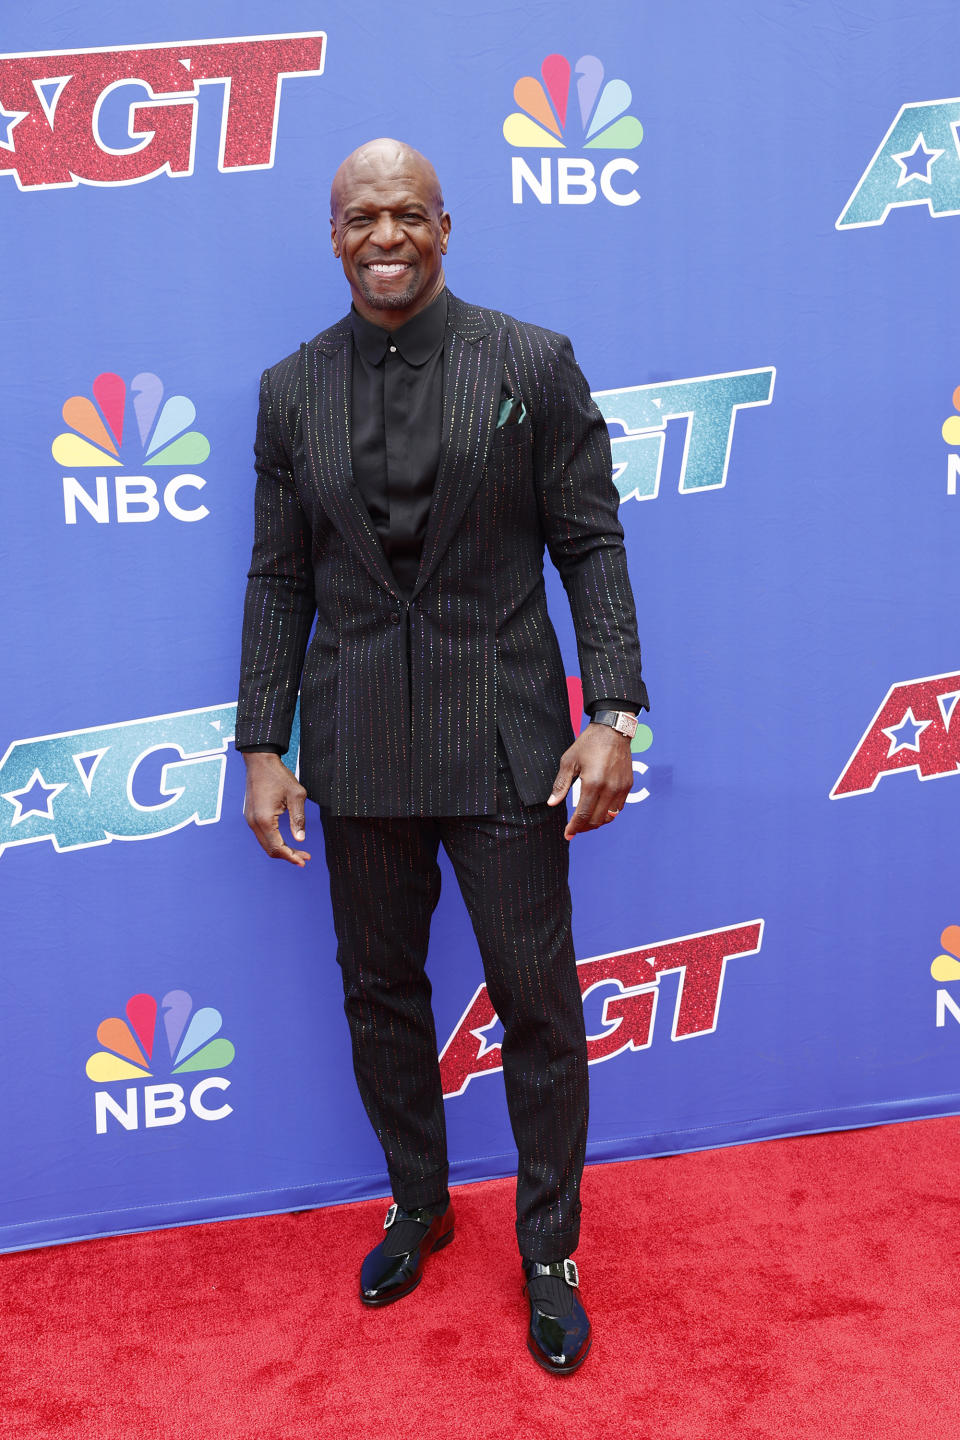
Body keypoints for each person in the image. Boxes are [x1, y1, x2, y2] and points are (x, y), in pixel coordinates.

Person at [236, 138, 648, 1375]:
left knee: (538, 1003)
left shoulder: (529, 361)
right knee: (380, 994)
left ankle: (549, 1251)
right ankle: (419, 1202)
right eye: (363, 215)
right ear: (334, 235)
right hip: (356, 742)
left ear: (448, 227)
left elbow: (592, 543)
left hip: (506, 735)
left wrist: (612, 712)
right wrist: (263, 740)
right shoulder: (290, 389)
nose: (387, 235)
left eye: (409, 213)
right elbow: (279, 575)